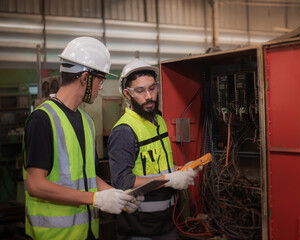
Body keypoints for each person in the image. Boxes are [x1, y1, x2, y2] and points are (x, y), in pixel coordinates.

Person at [23, 37, 143, 240]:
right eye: (100, 80)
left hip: (86, 233)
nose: (101, 87)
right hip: (54, 235)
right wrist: (95, 199)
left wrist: (117, 196)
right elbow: (35, 184)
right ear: (85, 78)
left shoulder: (86, 121)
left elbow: (88, 176)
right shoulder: (42, 120)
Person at [108, 58, 201, 240]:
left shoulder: (158, 120)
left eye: (152, 88)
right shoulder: (124, 131)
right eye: (140, 91)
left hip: (167, 220)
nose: (149, 96)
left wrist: (181, 171)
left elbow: (157, 167)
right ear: (127, 94)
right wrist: (168, 180)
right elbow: (121, 181)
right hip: (139, 224)